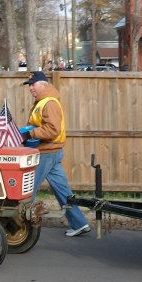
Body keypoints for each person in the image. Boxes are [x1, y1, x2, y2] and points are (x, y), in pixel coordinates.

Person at [20, 70, 90, 237]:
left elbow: (52, 129)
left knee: (27, 189)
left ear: (43, 85)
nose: (30, 88)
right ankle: (79, 223)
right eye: (29, 85)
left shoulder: (49, 103)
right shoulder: (43, 101)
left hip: (46, 152)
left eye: (33, 85)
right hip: (52, 151)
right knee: (63, 190)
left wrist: (30, 134)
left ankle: (18, 227)